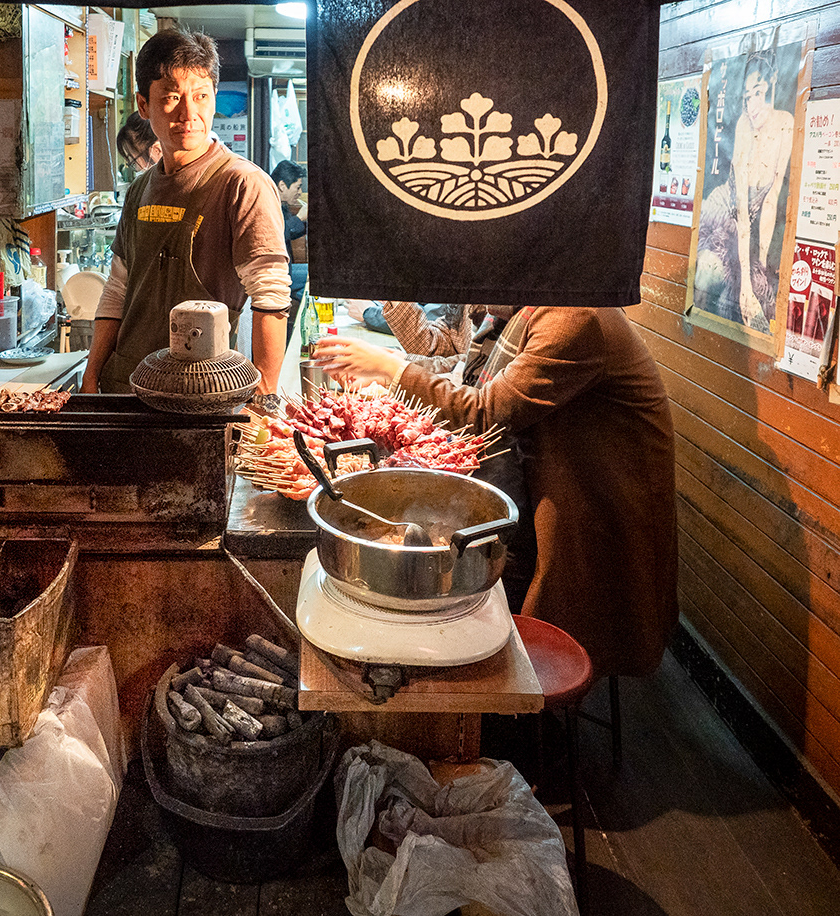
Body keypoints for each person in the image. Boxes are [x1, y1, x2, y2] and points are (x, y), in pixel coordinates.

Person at [314, 307, 679, 680]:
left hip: (595, 512)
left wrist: (394, 370)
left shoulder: (576, 319)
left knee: (491, 597)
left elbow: (488, 411)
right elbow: (473, 380)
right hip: (539, 482)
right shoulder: (514, 315)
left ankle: (503, 705)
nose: (476, 304)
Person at [82, 29, 291, 398]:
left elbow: (270, 296)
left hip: (203, 392)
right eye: (172, 97)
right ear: (143, 105)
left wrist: (266, 392)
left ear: (213, 101)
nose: (188, 114)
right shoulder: (138, 190)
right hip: (127, 384)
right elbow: (117, 291)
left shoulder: (242, 184)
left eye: (201, 96)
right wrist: (92, 374)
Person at [694, 50, 794, 331]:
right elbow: (740, 210)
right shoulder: (743, 125)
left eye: (758, 93)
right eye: (747, 97)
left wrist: (759, 270)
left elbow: (772, 199)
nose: (752, 105)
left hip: (758, 212)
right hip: (728, 205)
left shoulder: (786, 123)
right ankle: (694, 331)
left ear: (773, 82)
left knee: (760, 289)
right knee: (708, 269)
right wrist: (746, 287)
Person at [271, 159, 308, 341]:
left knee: (311, 274)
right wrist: (299, 218)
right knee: (312, 279)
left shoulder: (280, 202)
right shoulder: (268, 202)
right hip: (273, 274)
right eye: (298, 187)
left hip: (287, 269)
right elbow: (276, 234)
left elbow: (290, 233)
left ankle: (304, 314)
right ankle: (306, 320)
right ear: (282, 185)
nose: (300, 192)